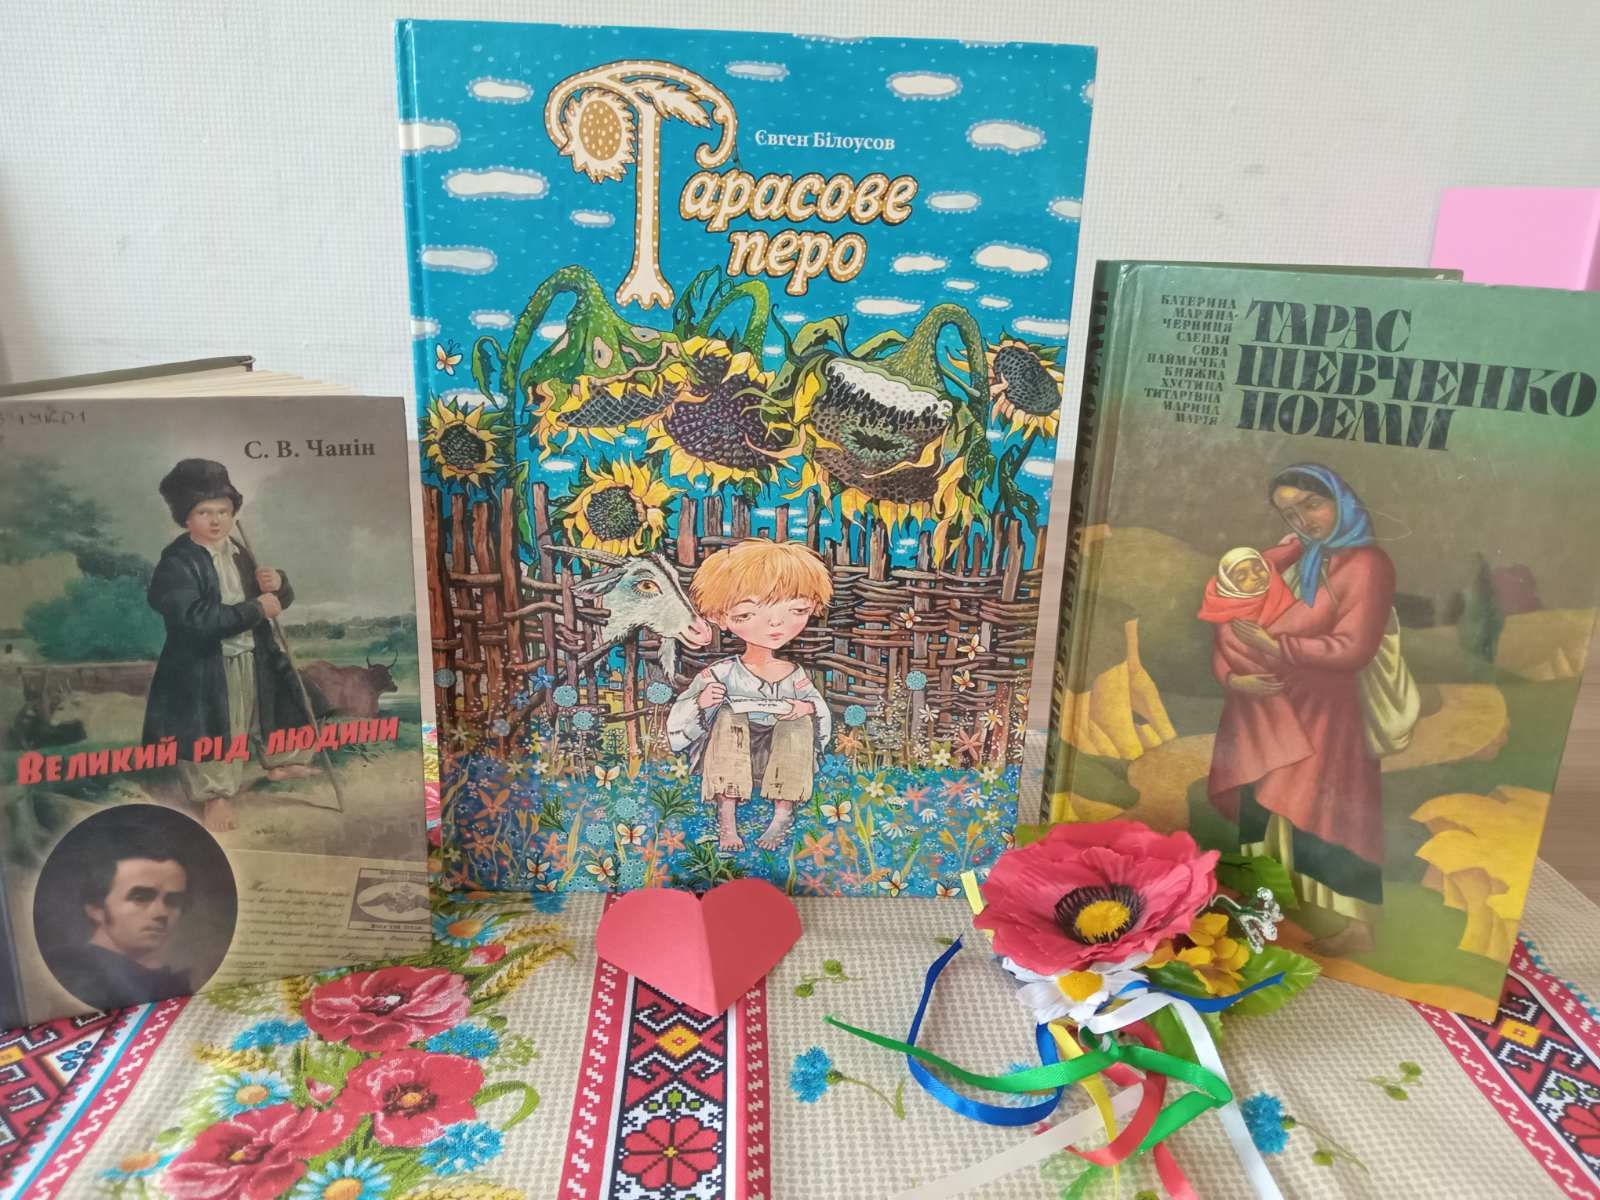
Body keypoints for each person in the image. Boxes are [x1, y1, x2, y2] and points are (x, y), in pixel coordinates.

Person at [1206, 465, 1397, 956]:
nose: (1304, 520)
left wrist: (1277, 645)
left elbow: (1353, 647)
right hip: (1267, 707)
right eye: (1290, 513)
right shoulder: (1307, 558)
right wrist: (1238, 676)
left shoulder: (1365, 563)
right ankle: (1265, 907)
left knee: (1325, 811)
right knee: (1261, 807)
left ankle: (1354, 924)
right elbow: (1239, 597)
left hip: (1324, 714)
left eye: (1312, 504)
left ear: (1341, 499)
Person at [141, 459, 315, 833]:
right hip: (204, 665)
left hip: (253, 654)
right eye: (204, 512)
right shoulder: (177, 563)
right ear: (186, 517)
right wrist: (256, 609)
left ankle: (281, 763)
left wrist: (278, 584)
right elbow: (195, 618)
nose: (216, 520)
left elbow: (273, 600)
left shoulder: (238, 550)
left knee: (264, 712)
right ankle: (215, 796)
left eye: (223, 510)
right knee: (217, 729)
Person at [667, 539, 833, 853]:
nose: (775, 623)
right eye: (746, 614)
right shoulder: (722, 672)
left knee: (798, 722)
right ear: (720, 617)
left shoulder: (795, 675)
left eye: (797, 610)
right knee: (728, 716)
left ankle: (783, 813)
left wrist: (805, 708)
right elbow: (679, 724)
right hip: (731, 754)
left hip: (777, 756)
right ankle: (726, 816)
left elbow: (820, 716)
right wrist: (703, 703)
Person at [50, 826, 193, 1011]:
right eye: (140, 897)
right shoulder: (76, 979)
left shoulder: (164, 981)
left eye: (173, 901)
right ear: (96, 909)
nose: (161, 913)